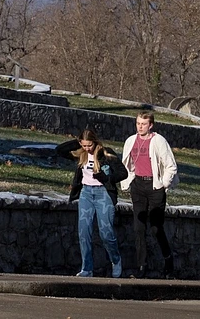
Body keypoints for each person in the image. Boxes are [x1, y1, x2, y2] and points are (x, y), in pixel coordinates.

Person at [55, 128, 127, 278]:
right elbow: (60, 150)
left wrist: (107, 178)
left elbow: (123, 172)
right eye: (84, 145)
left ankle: (116, 259)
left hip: (103, 194)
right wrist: (78, 142)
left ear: (95, 142)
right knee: (84, 231)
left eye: (90, 145)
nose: (87, 148)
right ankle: (86, 268)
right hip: (86, 193)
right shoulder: (80, 154)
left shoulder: (106, 153)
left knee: (106, 232)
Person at [120, 110, 177, 277]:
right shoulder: (131, 141)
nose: (140, 127)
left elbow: (171, 165)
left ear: (150, 125)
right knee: (138, 228)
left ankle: (168, 260)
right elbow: (127, 163)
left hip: (154, 186)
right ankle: (141, 266)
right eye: (138, 123)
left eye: (143, 124)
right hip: (138, 185)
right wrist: (128, 180)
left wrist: (163, 184)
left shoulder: (158, 140)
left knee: (155, 228)